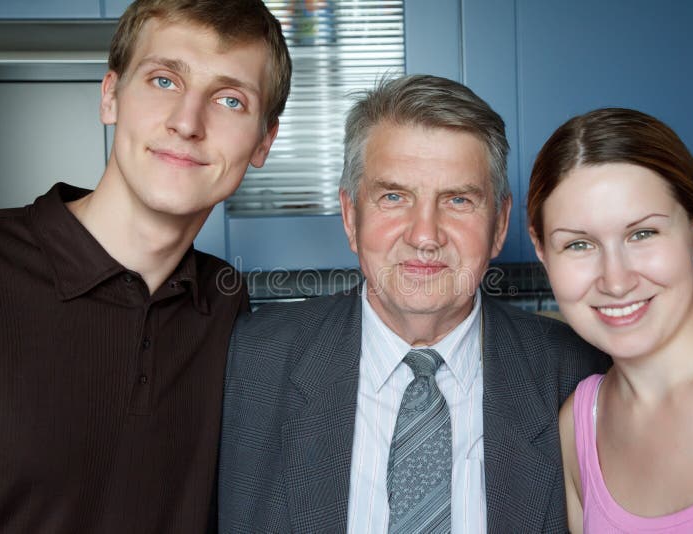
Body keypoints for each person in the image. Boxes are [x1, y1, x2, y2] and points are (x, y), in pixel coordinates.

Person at [218, 74, 609, 533]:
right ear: (350, 216)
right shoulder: (252, 359)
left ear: (500, 224)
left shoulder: (577, 373)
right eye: (393, 197)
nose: (425, 235)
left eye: (458, 200)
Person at [0, 1, 290, 532]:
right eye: (164, 81)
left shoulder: (228, 306)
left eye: (230, 99)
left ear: (263, 142)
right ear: (110, 95)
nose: (187, 123)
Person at [527, 107, 693, 533]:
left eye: (642, 234)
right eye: (579, 245)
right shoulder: (581, 426)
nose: (616, 282)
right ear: (542, 250)